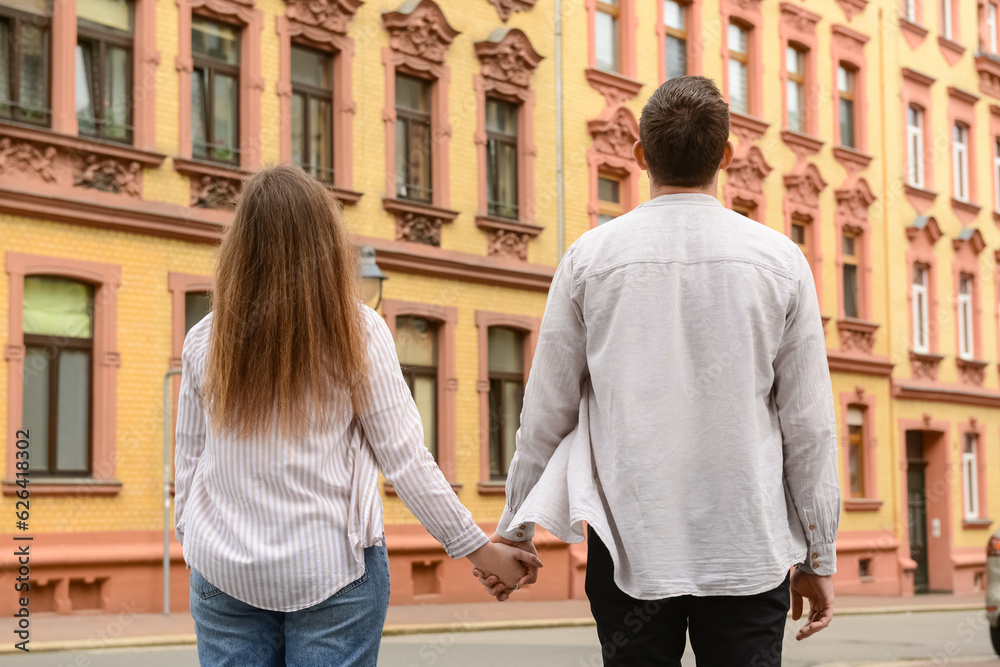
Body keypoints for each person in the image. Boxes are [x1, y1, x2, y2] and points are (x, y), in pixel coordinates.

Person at [476, 76, 840, 666]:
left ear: (641, 156)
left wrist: (515, 530)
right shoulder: (781, 262)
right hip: (748, 547)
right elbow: (810, 428)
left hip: (629, 547)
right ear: (725, 156)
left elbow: (545, 414)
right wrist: (819, 556)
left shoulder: (590, 259)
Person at [174, 165, 540, 667]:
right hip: (335, 573)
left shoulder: (203, 340)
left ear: (240, 246)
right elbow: (406, 460)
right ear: (325, 245)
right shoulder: (358, 332)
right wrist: (480, 551)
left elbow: (188, 464)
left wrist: (196, 541)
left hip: (222, 574)